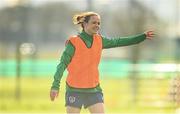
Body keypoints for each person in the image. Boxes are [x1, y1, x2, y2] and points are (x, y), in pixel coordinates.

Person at [50, 12, 155, 114]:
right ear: (84, 24)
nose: (97, 25)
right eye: (94, 23)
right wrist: (55, 86)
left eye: (99, 23)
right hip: (74, 89)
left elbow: (119, 41)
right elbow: (62, 64)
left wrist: (142, 37)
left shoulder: (100, 40)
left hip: (94, 90)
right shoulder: (73, 42)